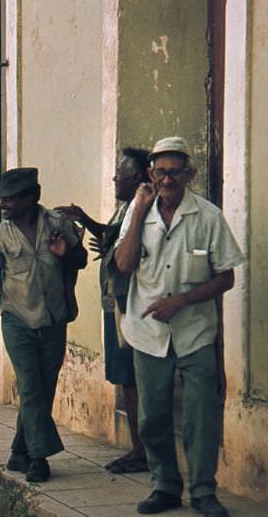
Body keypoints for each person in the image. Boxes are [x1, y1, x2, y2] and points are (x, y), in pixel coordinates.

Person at [115, 137, 244, 517]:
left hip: (195, 334)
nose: (167, 179)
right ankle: (165, 486)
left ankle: (204, 491)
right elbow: (124, 265)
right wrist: (138, 211)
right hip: (148, 334)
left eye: (174, 172)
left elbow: (226, 278)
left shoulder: (207, 217)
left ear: (190, 174)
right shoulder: (138, 212)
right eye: (160, 172)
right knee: (152, 416)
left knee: (200, 416)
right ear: (150, 175)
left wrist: (181, 301)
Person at [0, 167, 88, 482]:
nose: (3, 204)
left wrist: (65, 255)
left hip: (54, 319)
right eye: (2, 199)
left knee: (42, 389)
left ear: (31, 197)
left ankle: (18, 451)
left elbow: (81, 260)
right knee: (30, 386)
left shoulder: (58, 225)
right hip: (17, 320)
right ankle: (39, 458)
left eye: (11, 199)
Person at [55, 148, 150, 474]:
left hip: (127, 306)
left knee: (132, 378)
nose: (114, 179)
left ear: (136, 177)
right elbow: (115, 241)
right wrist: (89, 223)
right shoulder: (126, 207)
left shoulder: (139, 208)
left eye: (119, 174)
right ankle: (139, 448)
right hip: (115, 304)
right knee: (127, 378)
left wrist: (94, 229)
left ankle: (142, 450)